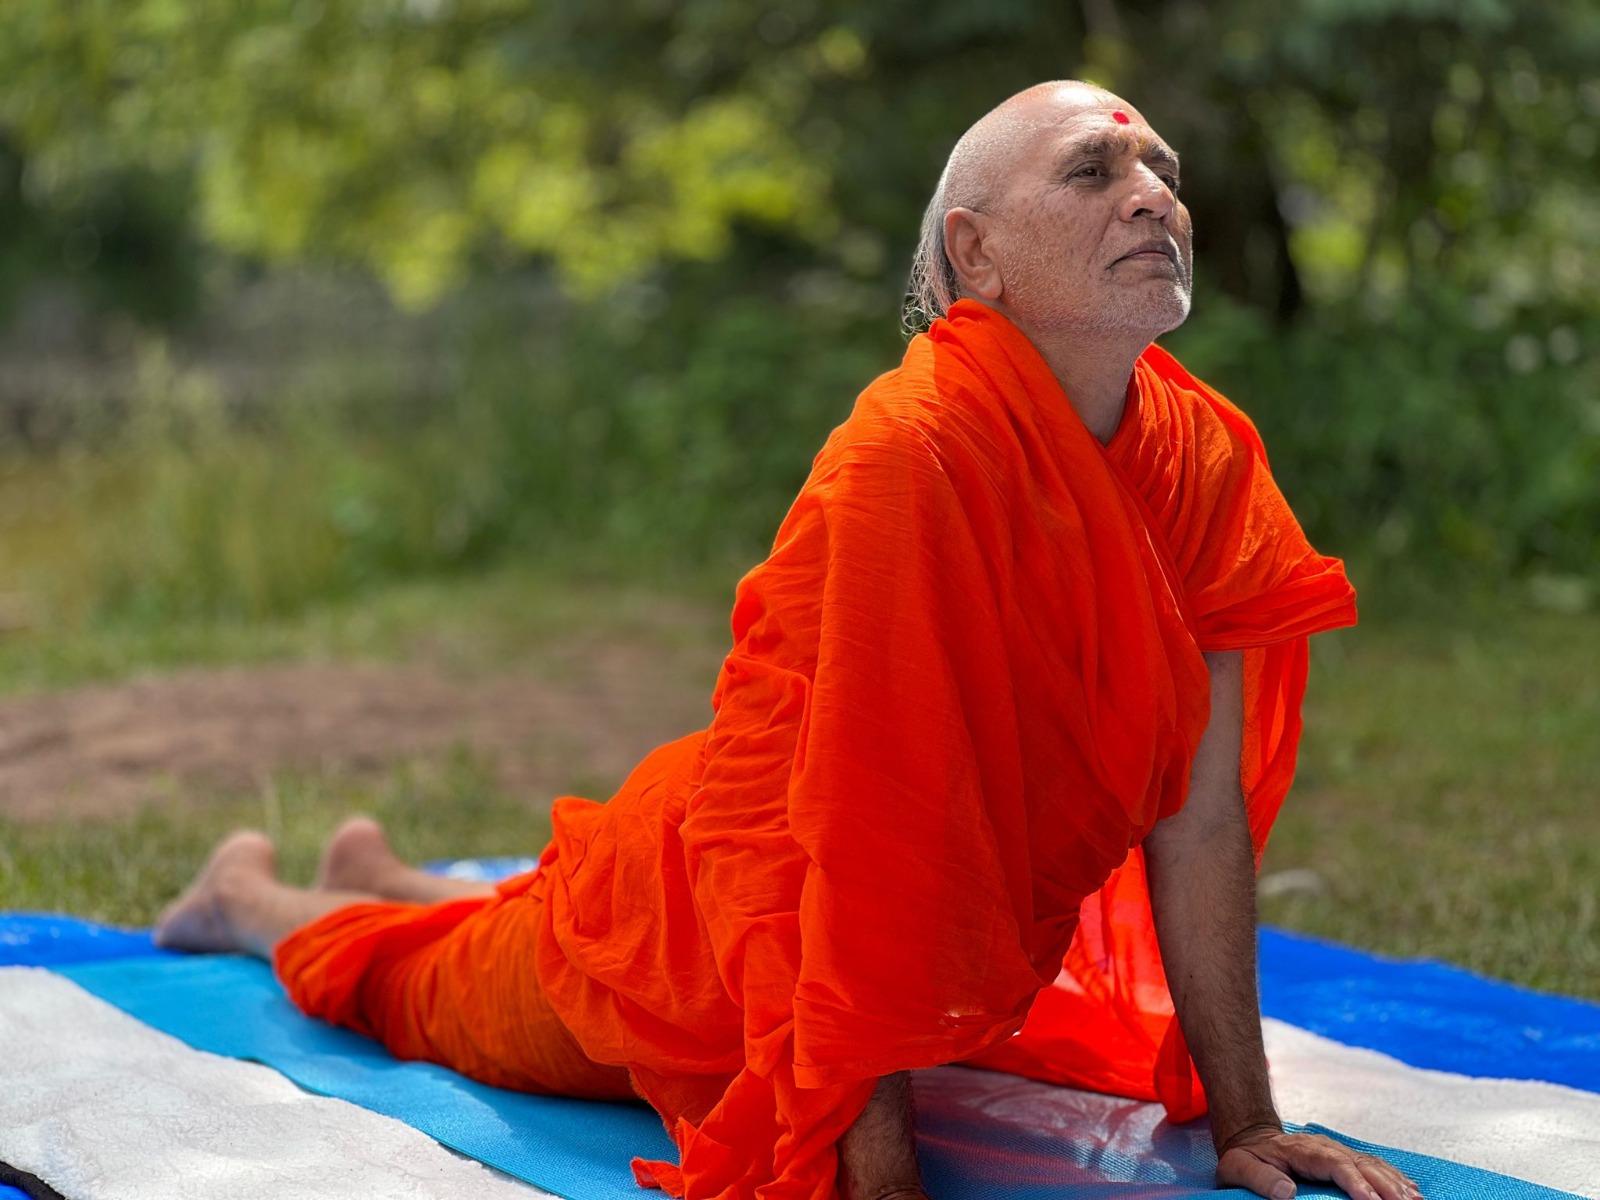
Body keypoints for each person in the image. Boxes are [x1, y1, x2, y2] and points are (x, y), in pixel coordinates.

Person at [155, 80, 1422, 1200]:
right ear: (976, 253)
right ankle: (256, 898)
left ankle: (398, 872)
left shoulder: (1201, 457)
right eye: (1093, 171)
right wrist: (876, 1176)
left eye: (1160, 174)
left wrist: (1247, 1123)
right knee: (434, 994)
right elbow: (849, 824)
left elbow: (1198, 816)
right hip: (718, 930)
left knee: (508, 927)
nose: (1153, 198)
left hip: (813, 897)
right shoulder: (913, 451)